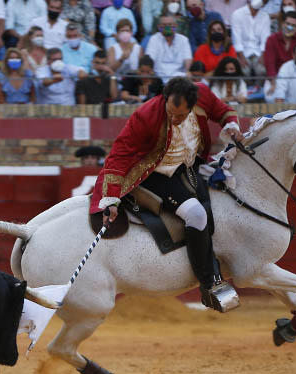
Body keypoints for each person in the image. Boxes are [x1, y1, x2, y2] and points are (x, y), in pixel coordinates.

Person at [90, 77, 243, 311]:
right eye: (170, 111)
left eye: (180, 115)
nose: (174, 118)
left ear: (193, 105)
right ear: (165, 99)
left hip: (189, 166)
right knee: (196, 215)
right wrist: (110, 197)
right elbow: (119, 154)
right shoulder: (146, 115)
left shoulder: (202, 94)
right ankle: (209, 284)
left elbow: (225, 112)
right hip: (154, 173)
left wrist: (231, 124)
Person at [264, 11, 296, 98]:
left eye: (293, 25)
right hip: (276, 78)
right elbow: (270, 64)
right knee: (271, 98)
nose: (289, 27)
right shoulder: (272, 39)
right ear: (282, 23)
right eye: (288, 23)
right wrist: (274, 84)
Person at [230, 0, 270, 85]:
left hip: (258, 52)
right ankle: (246, 93)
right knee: (243, 71)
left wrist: (263, 55)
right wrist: (241, 56)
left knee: (262, 70)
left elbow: (265, 39)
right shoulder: (237, 14)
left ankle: (257, 91)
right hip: (242, 51)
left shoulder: (265, 16)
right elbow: (236, 38)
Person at [146, 14, 192, 82]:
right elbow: (149, 59)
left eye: (170, 25)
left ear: (176, 25)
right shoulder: (154, 39)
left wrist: (188, 70)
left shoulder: (184, 40)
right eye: (164, 25)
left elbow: (188, 59)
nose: (167, 27)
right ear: (159, 26)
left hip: (179, 78)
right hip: (158, 77)